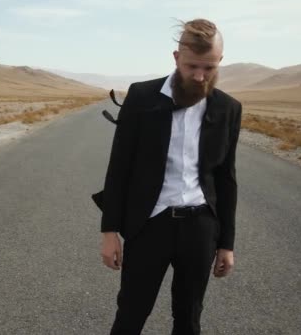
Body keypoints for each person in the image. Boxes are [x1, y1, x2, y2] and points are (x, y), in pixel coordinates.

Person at [97, 18, 242, 335]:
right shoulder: (142, 96)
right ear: (176, 58)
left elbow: (226, 179)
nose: (200, 76)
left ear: (220, 61)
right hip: (149, 224)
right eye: (192, 66)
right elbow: (119, 167)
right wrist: (110, 232)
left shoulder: (229, 108)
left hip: (200, 226)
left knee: (189, 318)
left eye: (209, 67)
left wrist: (226, 244)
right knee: (131, 313)